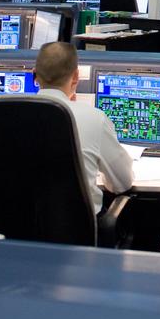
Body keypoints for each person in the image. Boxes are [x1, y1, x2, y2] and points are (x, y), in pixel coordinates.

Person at [33, 42, 134, 214]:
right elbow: (122, 183)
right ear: (75, 77)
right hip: (74, 232)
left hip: (10, 232)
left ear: (34, 75)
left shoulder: (0, 114)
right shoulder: (93, 117)